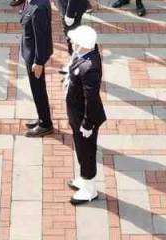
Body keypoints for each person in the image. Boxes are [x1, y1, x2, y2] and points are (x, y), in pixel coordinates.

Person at [64, 25, 105, 205]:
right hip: (77, 113)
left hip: (84, 117)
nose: (72, 43)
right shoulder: (83, 56)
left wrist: (88, 124)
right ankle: (84, 178)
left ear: (83, 45)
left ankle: (90, 189)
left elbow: (91, 99)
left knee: (87, 151)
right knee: (80, 148)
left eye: (75, 41)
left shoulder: (90, 67)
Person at [18, 0, 54, 138]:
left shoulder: (38, 8)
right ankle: (42, 117)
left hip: (34, 57)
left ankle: (45, 124)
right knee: (37, 89)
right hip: (31, 52)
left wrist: (38, 62)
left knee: (38, 89)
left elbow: (41, 37)